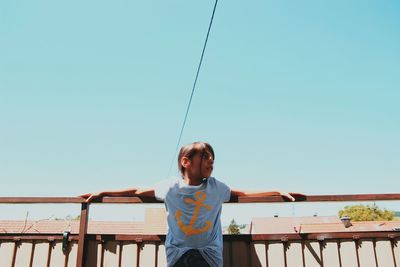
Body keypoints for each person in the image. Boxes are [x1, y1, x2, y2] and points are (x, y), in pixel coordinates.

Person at [80, 141, 301, 267]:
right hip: (179, 255)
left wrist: (278, 191)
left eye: (213, 158)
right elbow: (136, 190)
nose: (211, 161)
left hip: (208, 256)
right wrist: (102, 192)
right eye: (205, 157)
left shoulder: (215, 187)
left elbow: (244, 192)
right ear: (186, 162)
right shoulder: (171, 187)